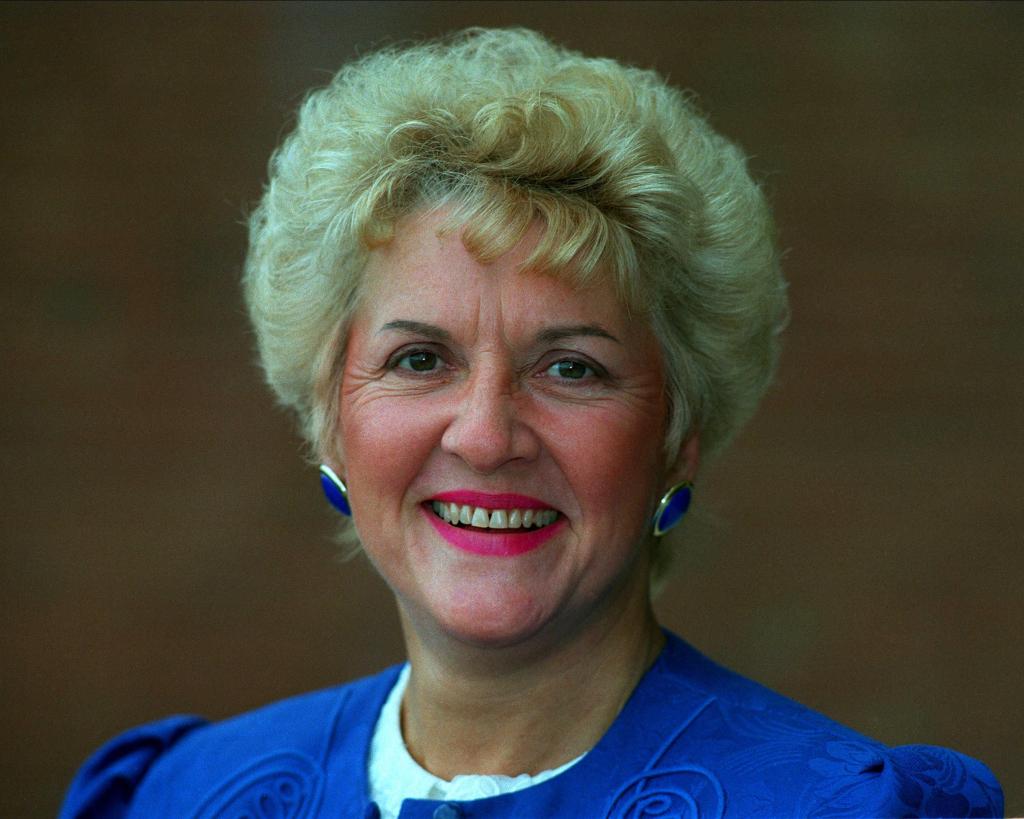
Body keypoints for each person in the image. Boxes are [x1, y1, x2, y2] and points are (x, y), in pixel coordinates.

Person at [60, 27, 1002, 819]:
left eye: (571, 367)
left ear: (679, 433)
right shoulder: (185, 794)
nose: (484, 434)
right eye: (419, 359)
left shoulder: (829, 806)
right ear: (330, 419)